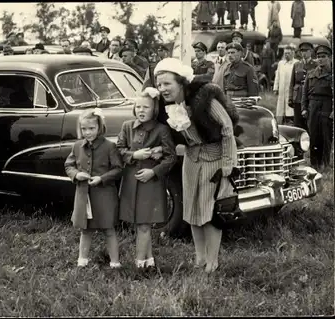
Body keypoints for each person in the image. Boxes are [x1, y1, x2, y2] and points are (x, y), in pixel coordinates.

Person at [154, 58, 238, 273]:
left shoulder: (204, 99)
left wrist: (228, 164)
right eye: (159, 84)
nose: (162, 88)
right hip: (191, 161)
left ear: (181, 82)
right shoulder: (170, 106)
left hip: (215, 161)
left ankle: (213, 261)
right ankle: (199, 259)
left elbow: (227, 127)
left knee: (209, 212)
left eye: (167, 83)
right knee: (192, 210)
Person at [117, 87, 177, 269]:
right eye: (138, 107)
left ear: (155, 110)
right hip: (131, 181)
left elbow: (171, 157)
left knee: (144, 224)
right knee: (141, 224)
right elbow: (118, 150)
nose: (141, 111)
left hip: (150, 183)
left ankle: (139, 264)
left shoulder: (162, 130)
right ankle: (149, 261)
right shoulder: (127, 126)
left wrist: (154, 171)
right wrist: (134, 155)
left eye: (146, 107)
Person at [64, 108, 123, 268]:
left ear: (99, 128)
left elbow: (118, 169)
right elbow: (68, 165)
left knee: (108, 228)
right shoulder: (77, 146)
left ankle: (115, 262)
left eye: (91, 128)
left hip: (104, 195)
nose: (88, 132)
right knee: (85, 229)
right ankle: (82, 261)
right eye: (84, 129)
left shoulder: (109, 147)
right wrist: (76, 174)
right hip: (84, 195)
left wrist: (101, 178)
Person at [301, 45, 333, 169]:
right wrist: (304, 108)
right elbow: (304, 93)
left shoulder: (331, 74)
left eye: (323, 57)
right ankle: (314, 164)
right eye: (319, 57)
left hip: (326, 106)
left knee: (326, 136)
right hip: (312, 107)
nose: (320, 59)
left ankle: (325, 164)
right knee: (313, 135)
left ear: (329, 58)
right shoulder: (311, 74)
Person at [289, 42, 317, 130]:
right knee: (297, 124)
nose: (303, 53)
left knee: (310, 123)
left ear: (311, 52)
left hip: (309, 97)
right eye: (302, 51)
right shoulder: (297, 65)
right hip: (297, 98)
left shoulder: (315, 65)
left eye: (306, 51)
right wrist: (290, 98)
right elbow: (292, 83)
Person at [274, 45, 297, 125]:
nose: (286, 55)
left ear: (293, 53)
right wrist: (275, 88)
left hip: (291, 89)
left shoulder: (296, 63)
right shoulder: (281, 63)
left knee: (290, 107)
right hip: (282, 89)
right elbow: (277, 76)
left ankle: (290, 121)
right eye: (285, 53)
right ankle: (280, 122)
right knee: (280, 107)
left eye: (288, 53)